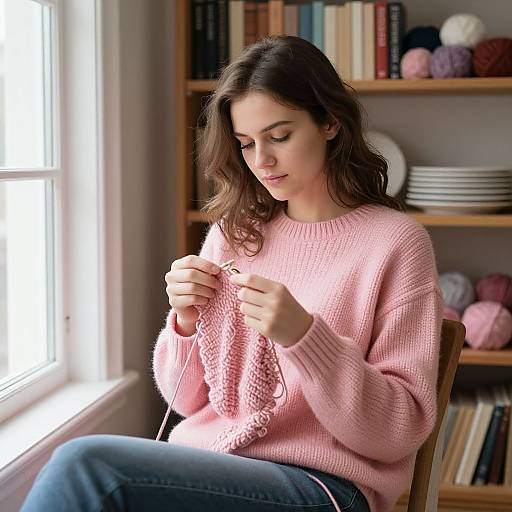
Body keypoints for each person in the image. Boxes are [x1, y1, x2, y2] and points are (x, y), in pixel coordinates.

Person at [21, 35, 442, 512]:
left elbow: (397, 432)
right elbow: (188, 399)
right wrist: (183, 322)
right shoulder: (236, 232)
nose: (262, 160)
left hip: (323, 486)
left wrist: (306, 337)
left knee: (89, 466)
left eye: (280, 136)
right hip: (213, 464)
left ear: (329, 121)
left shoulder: (396, 243)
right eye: (247, 144)